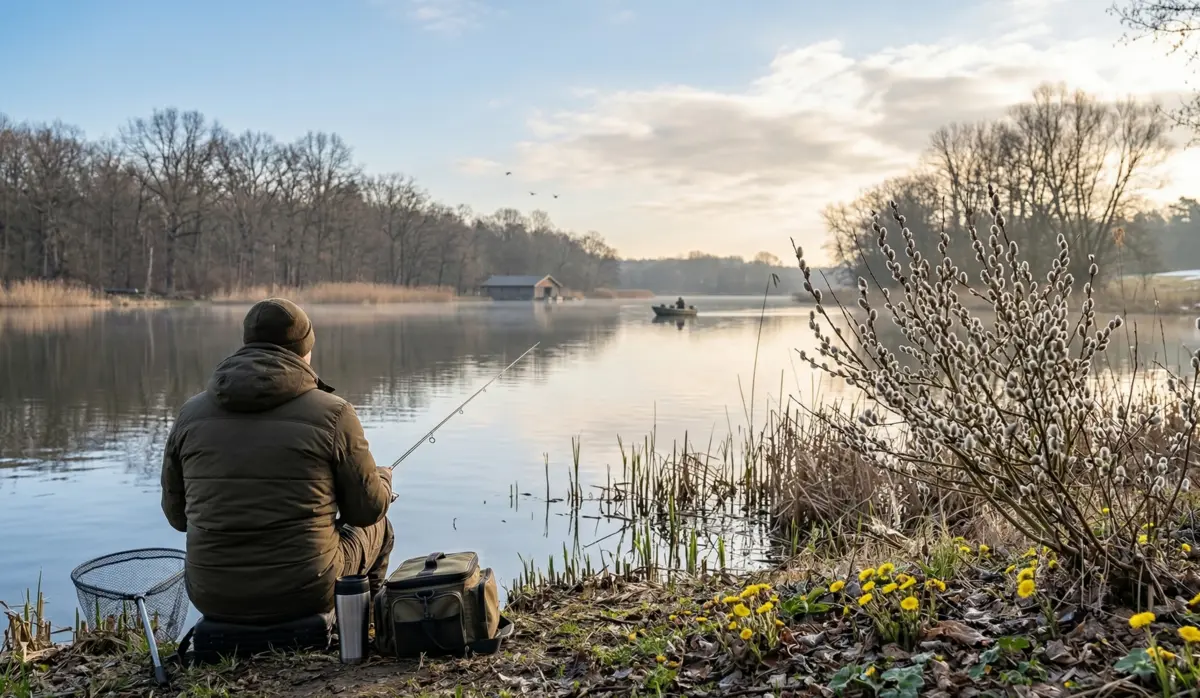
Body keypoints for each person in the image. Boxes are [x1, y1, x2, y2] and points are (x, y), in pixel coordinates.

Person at [160, 298, 394, 626]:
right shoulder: (335, 413)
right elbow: (366, 510)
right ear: (304, 350)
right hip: (309, 588)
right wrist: (383, 479)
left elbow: (177, 517)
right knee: (379, 527)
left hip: (211, 592)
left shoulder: (189, 414)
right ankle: (362, 629)